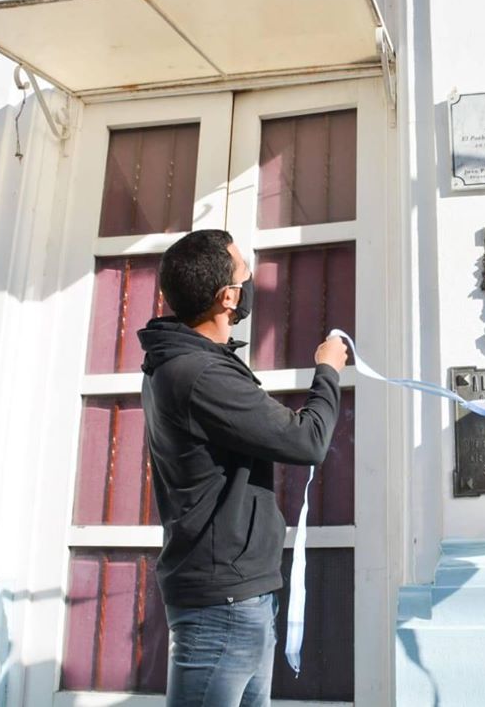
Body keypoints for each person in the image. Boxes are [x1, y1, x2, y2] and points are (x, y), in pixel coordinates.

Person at [138, 229, 348, 707]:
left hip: (241, 596)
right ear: (229, 296)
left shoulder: (189, 363)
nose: (252, 281)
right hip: (221, 606)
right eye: (245, 272)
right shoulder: (199, 373)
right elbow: (306, 439)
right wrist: (328, 371)